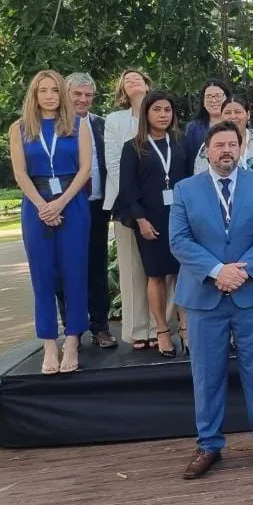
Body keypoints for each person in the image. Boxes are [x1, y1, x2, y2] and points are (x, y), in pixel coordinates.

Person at [169, 121, 253, 479]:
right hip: (204, 297)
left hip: (251, 295)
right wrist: (218, 271)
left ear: (241, 149)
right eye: (219, 144)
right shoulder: (186, 189)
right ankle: (208, 445)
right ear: (207, 150)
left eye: (232, 144)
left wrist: (241, 272)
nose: (226, 150)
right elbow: (179, 240)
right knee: (206, 375)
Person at [8, 70, 93, 374]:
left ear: (62, 94)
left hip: (73, 204)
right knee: (42, 276)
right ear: (34, 95)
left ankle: (72, 341)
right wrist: (44, 205)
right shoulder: (19, 129)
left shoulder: (79, 125)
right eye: (43, 90)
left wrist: (60, 203)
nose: (49, 96)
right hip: (36, 206)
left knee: (74, 274)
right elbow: (20, 173)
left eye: (54, 90)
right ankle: (48, 343)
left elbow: (85, 170)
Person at [119, 91, 190, 358]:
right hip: (151, 220)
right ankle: (161, 330)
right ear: (146, 113)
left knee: (185, 272)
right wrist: (141, 221)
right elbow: (128, 189)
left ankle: (185, 326)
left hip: (181, 219)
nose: (163, 114)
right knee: (156, 275)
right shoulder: (134, 146)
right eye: (157, 109)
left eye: (167, 110)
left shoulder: (180, 142)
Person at [104, 69, 165, 350]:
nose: (132, 80)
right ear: (122, 89)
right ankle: (138, 330)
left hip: (162, 205)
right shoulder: (115, 121)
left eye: (137, 77)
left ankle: (161, 327)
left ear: (147, 83)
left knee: (162, 270)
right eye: (126, 79)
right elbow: (114, 164)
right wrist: (133, 201)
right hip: (127, 205)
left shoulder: (161, 113)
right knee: (132, 270)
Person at [63, 73, 117, 347]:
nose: (83, 100)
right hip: (66, 207)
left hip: (97, 206)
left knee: (96, 267)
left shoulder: (102, 126)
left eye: (88, 95)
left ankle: (100, 327)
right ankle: (71, 329)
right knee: (67, 268)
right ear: (66, 94)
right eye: (78, 94)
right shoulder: (55, 126)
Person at [181, 79, 231, 175]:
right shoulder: (193, 128)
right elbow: (190, 161)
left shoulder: (236, 122)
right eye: (208, 96)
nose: (213, 100)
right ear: (203, 102)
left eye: (218, 96)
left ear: (227, 98)